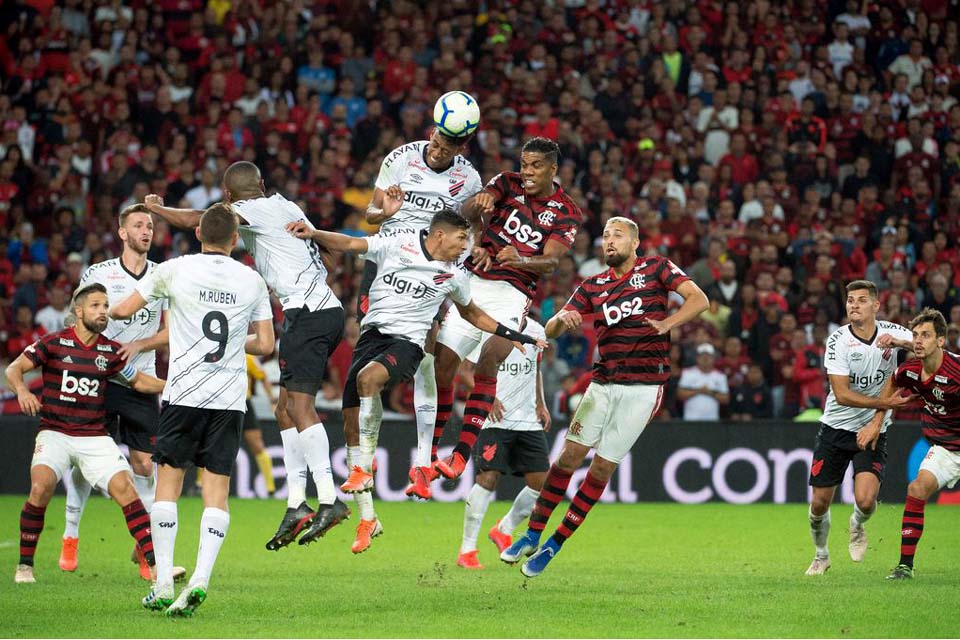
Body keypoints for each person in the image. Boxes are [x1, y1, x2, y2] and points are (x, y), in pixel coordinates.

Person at [289, 209, 546, 553]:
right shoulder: (398, 244)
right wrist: (314, 232)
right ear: (440, 235)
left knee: (368, 380)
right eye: (460, 239)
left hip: (407, 344)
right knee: (351, 423)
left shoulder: (455, 276)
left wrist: (514, 333)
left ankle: (366, 469)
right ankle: (368, 518)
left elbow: (473, 314)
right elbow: (351, 244)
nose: (464, 247)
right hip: (371, 338)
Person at [145, 160, 346, 550]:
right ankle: (296, 503)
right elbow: (321, 253)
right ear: (262, 183)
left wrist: (157, 208)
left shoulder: (248, 210)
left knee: (300, 408)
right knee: (284, 409)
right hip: (320, 309)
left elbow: (202, 221)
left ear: (228, 195)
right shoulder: (286, 205)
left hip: (307, 312)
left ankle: (328, 498)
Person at [501, 217, 708, 578]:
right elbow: (552, 326)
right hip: (603, 383)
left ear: (635, 242)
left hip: (643, 389)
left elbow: (699, 299)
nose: (609, 241)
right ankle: (532, 534)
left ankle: (554, 544)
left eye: (618, 235)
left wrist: (667, 324)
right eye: (606, 236)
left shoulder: (657, 268)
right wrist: (560, 322)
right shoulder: (592, 285)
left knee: (600, 468)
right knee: (567, 458)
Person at [111, 203, 274, 616]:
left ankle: (164, 582)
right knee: (216, 491)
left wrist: (107, 310)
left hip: (184, 395)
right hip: (229, 400)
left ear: (199, 233)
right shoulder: (253, 280)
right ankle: (200, 579)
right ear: (235, 239)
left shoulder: (175, 269)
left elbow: (123, 310)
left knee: (168, 484)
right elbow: (266, 344)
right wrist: (234, 341)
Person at [431, 137, 583, 484]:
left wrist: (521, 260)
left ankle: (460, 456)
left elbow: (552, 262)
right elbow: (464, 216)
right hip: (474, 283)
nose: (527, 172)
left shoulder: (566, 211)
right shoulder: (506, 182)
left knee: (491, 356)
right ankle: (431, 453)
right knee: (443, 366)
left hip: (514, 293)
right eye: (524, 164)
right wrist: (478, 205)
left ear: (553, 169)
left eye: (536, 166)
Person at [5, 283, 166, 584]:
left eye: (105, 306)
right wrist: (23, 391)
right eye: (95, 306)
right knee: (40, 487)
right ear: (79, 311)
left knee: (127, 489)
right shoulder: (53, 343)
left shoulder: (109, 352)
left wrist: (174, 386)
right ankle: (25, 566)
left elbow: (139, 382)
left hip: (94, 437)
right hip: (55, 433)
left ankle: (156, 568)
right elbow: (13, 369)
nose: (103, 311)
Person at [358, 123, 482, 501]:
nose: (441, 151)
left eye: (451, 147)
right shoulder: (400, 158)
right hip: (387, 264)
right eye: (439, 142)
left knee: (426, 356)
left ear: (463, 147)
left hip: (430, 271)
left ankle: (423, 462)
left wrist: (464, 260)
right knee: (367, 353)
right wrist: (383, 212)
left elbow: (468, 232)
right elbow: (371, 213)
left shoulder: (469, 179)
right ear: (433, 133)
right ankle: (365, 456)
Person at [59, 203, 169, 580]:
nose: (146, 231)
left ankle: (144, 549)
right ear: (122, 233)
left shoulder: (162, 276)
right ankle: (70, 534)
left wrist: (140, 345)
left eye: (150, 225)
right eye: (138, 225)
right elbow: (76, 318)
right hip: (100, 380)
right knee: (82, 461)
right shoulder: (99, 274)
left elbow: (171, 331)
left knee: (144, 465)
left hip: (141, 381)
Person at [804, 280, 915, 576]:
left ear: (876, 306)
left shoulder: (893, 332)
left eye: (862, 300)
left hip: (874, 428)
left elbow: (924, 345)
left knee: (866, 502)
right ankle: (821, 555)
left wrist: (900, 343)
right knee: (819, 504)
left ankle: (856, 524)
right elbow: (841, 394)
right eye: (850, 299)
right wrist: (885, 403)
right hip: (836, 427)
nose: (854, 304)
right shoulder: (837, 341)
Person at [858, 308, 960, 580]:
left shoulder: (956, 371)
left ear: (941, 340)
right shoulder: (910, 370)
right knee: (916, 488)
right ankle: (905, 566)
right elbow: (891, 384)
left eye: (925, 335)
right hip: (946, 449)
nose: (918, 341)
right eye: (915, 335)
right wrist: (877, 422)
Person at [456, 317, 551, 570]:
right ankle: (467, 550)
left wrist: (541, 404)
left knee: (541, 483)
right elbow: (464, 371)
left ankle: (504, 529)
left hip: (528, 419)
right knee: (488, 478)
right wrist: (488, 397)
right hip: (495, 419)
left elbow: (535, 369)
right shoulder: (487, 326)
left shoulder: (537, 330)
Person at [244, 353, 277, 496]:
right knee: (213, 444)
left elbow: (263, 378)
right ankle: (200, 484)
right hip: (221, 405)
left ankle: (270, 488)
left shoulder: (248, 358)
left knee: (257, 444)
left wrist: (272, 399)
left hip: (243, 403)